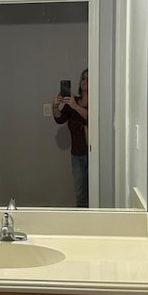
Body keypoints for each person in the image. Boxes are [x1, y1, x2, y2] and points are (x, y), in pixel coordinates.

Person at [52, 68, 89, 207]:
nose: (85, 81)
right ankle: (82, 224)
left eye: (89, 79)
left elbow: (91, 118)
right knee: (80, 194)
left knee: (95, 192)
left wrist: (75, 106)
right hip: (77, 155)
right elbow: (60, 119)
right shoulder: (73, 101)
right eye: (83, 78)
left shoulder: (98, 102)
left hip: (93, 155)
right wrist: (55, 106)